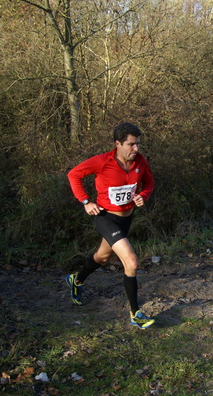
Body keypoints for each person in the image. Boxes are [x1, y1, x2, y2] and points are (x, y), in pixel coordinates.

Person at [65, 122, 155, 329]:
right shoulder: (102, 161)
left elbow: (149, 183)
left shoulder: (140, 161)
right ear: (118, 144)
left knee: (103, 256)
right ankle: (136, 313)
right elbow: (73, 175)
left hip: (127, 218)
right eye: (131, 145)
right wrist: (86, 202)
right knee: (131, 262)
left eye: (138, 144)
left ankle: (76, 280)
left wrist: (143, 195)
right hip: (106, 217)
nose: (136, 149)